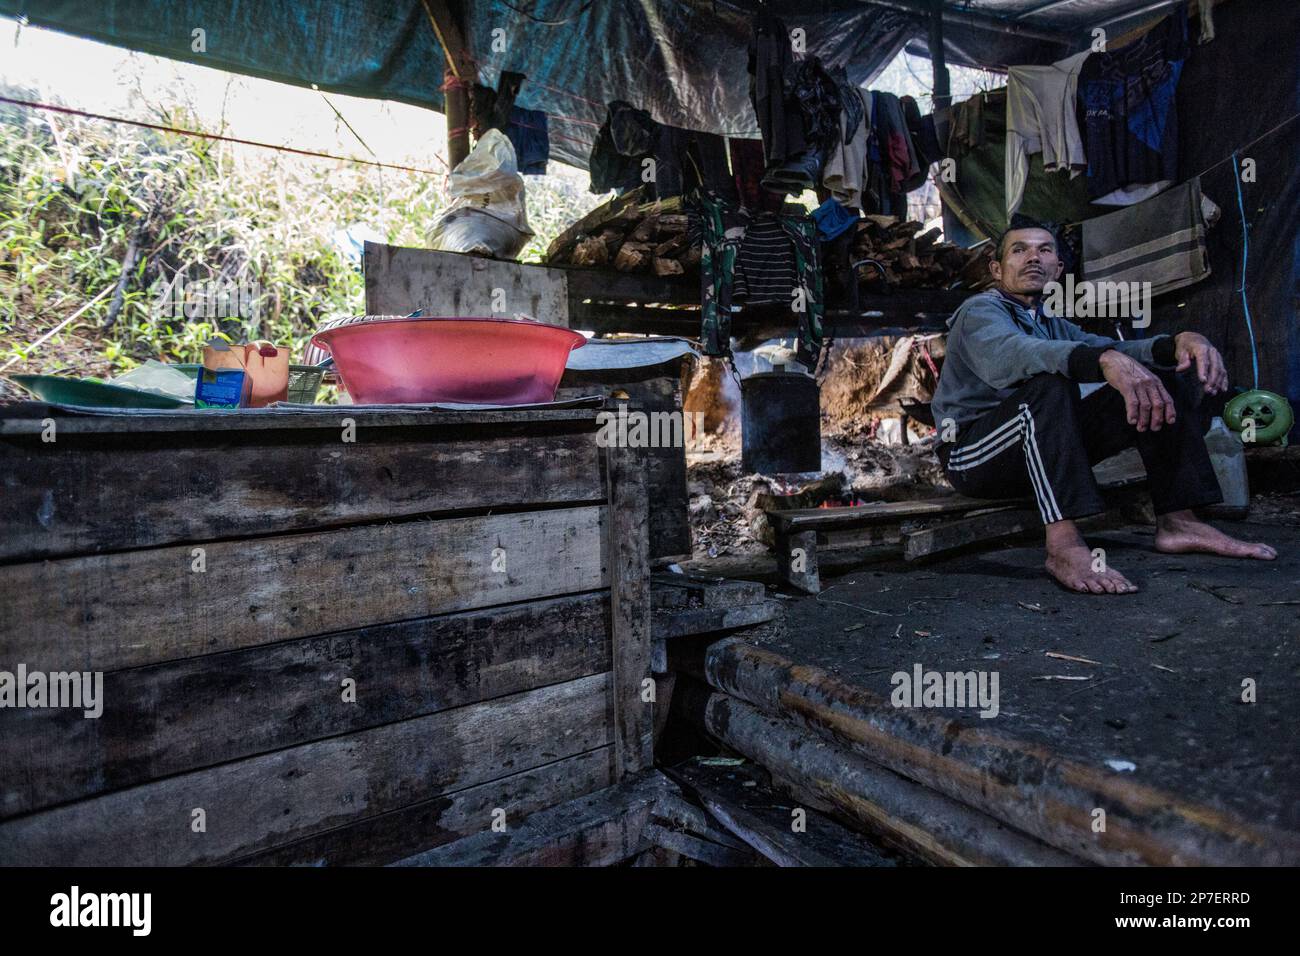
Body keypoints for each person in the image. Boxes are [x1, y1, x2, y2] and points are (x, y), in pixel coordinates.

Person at [930, 218, 1275, 594]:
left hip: (1034, 455)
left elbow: (1111, 347)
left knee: (1161, 379)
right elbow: (1011, 355)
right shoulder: (979, 310)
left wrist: (1176, 342)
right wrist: (1102, 362)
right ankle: (1063, 543)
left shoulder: (1050, 322)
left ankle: (1179, 522)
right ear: (997, 269)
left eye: (1045, 250)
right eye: (1019, 250)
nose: (1033, 258)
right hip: (972, 456)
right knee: (1049, 387)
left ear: (1058, 269)